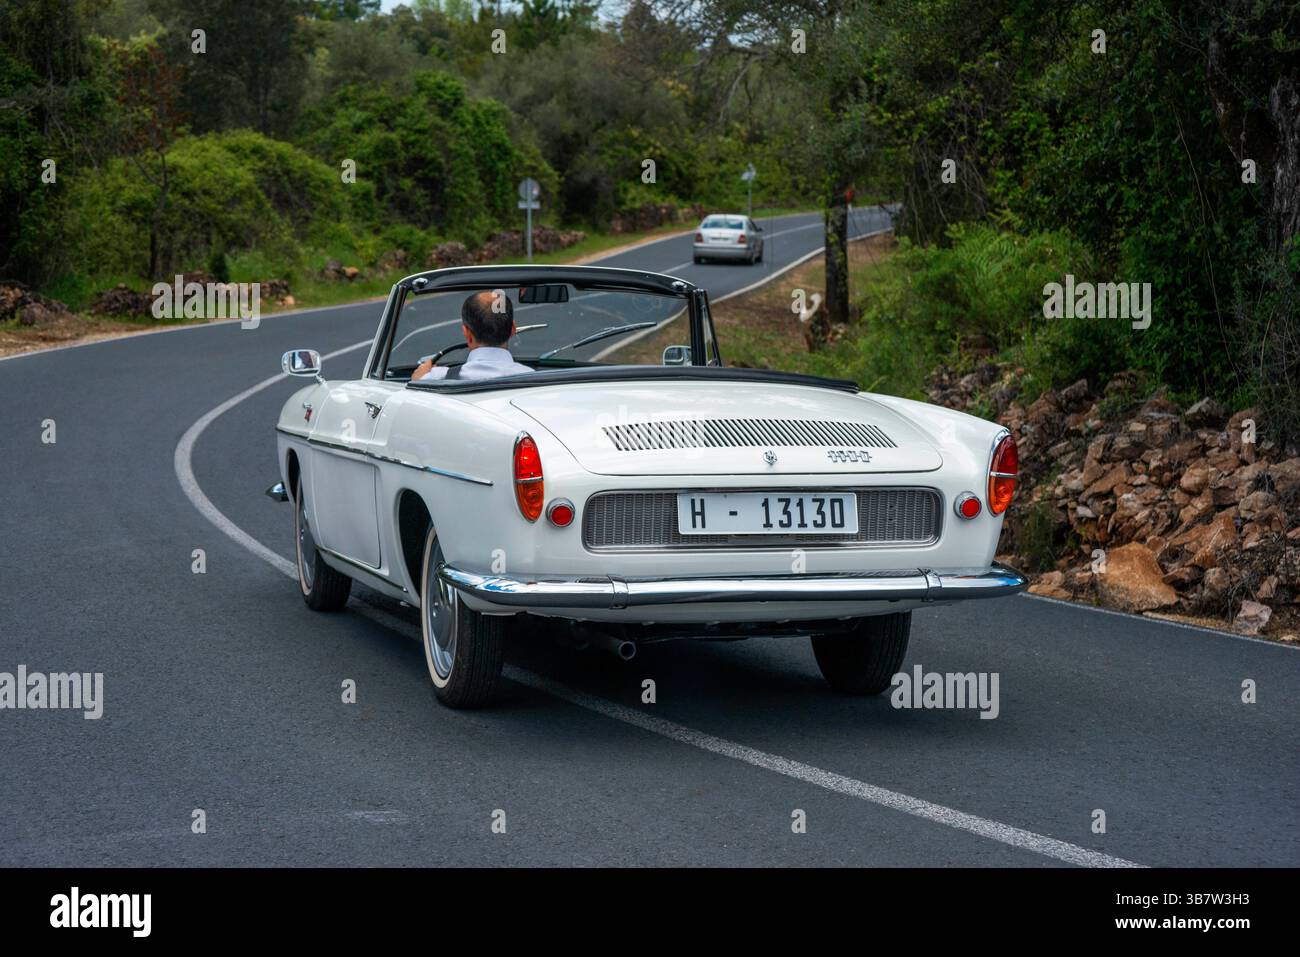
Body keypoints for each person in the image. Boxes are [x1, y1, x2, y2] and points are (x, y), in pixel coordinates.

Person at [412, 290, 533, 381]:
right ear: (513, 329)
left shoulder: (435, 378)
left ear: (467, 333)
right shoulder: (533, 379)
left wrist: (419, 379)